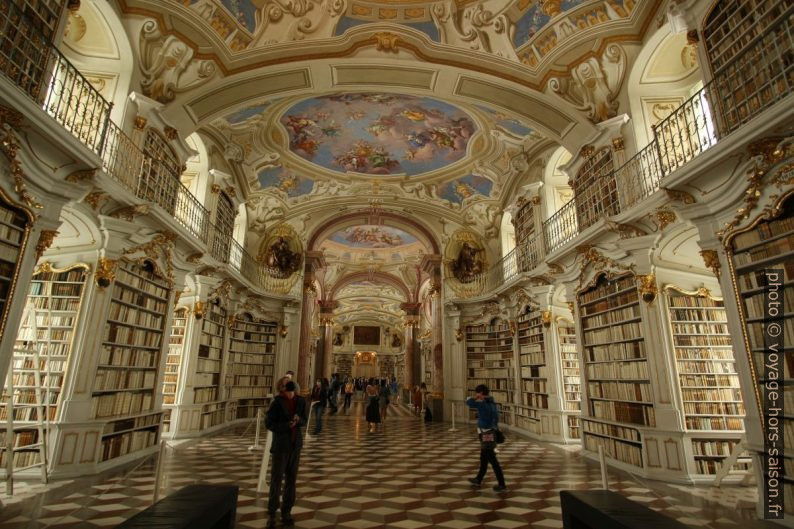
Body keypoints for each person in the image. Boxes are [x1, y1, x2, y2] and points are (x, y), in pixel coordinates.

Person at [265, 379, 308, 527]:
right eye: (287, 391)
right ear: (283, 390)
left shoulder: (301, 401)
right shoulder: (277, 402)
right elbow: (269, 423)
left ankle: (286, 511)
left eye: (292, 391)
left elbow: (304, 420)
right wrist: (285, 425)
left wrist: (298, 421)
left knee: (291, 480)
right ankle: (272, 512)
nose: (290, 394)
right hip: (281, 446)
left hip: (295, 446)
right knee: (276, 480)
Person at [465, 384, 506, 492]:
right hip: (491, 431)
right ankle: (478, 479)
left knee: (493, 460)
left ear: (481, 393)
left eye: (477, 393)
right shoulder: (492, 403)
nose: (476, 395)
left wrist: (476, 398)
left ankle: (502, 485)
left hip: (486, 434)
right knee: (483, 459)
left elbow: (468, 402)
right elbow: (496, 418)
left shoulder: (482, 404)